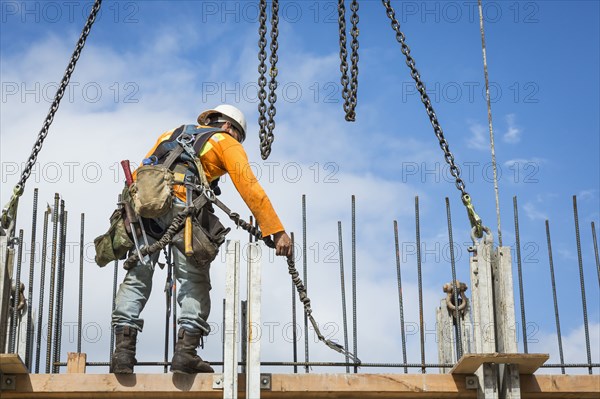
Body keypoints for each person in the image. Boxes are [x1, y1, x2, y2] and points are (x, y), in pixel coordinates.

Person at [110, 104, 292, 374]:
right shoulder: (224, 141)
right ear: (230, 127)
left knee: (137, 276)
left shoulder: (171, 133)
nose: (237, 140)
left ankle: (122, 354)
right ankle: (186, 354)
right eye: (238, 136)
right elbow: (248, 185)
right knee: (193, 280)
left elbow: (139, 175)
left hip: (145, 209)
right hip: (185, 209)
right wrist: (275, 230)